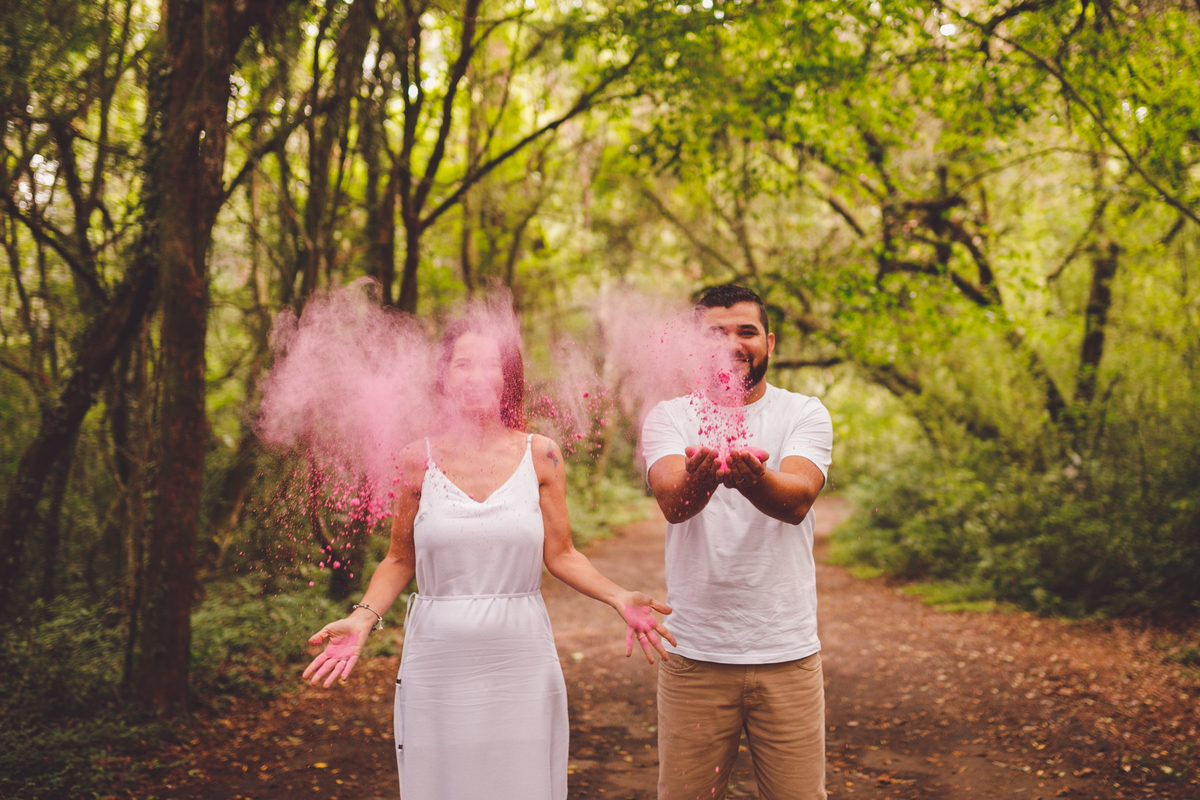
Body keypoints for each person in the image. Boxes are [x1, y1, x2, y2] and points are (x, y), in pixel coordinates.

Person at [302, 318, 675, 800]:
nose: (476, 376)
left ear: (509, 378)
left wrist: (619, 596)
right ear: (445, 377)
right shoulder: (417, 459)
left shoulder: (543, 455)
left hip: (519, 655)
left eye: (490, 365)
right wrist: (361, 619)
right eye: (463, 364)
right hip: (437, 660)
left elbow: (562, 554)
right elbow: (399, 559)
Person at [641, 284, 833, 800]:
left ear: (769, 342)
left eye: (746, 331)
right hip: (695, 656)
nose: (731, 343)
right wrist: (702, 479)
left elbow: (795, 502)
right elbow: (673, 504)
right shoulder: (669, 416)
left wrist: (752, 479)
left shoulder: (804, 413)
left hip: (787, 655)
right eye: (715, 333)